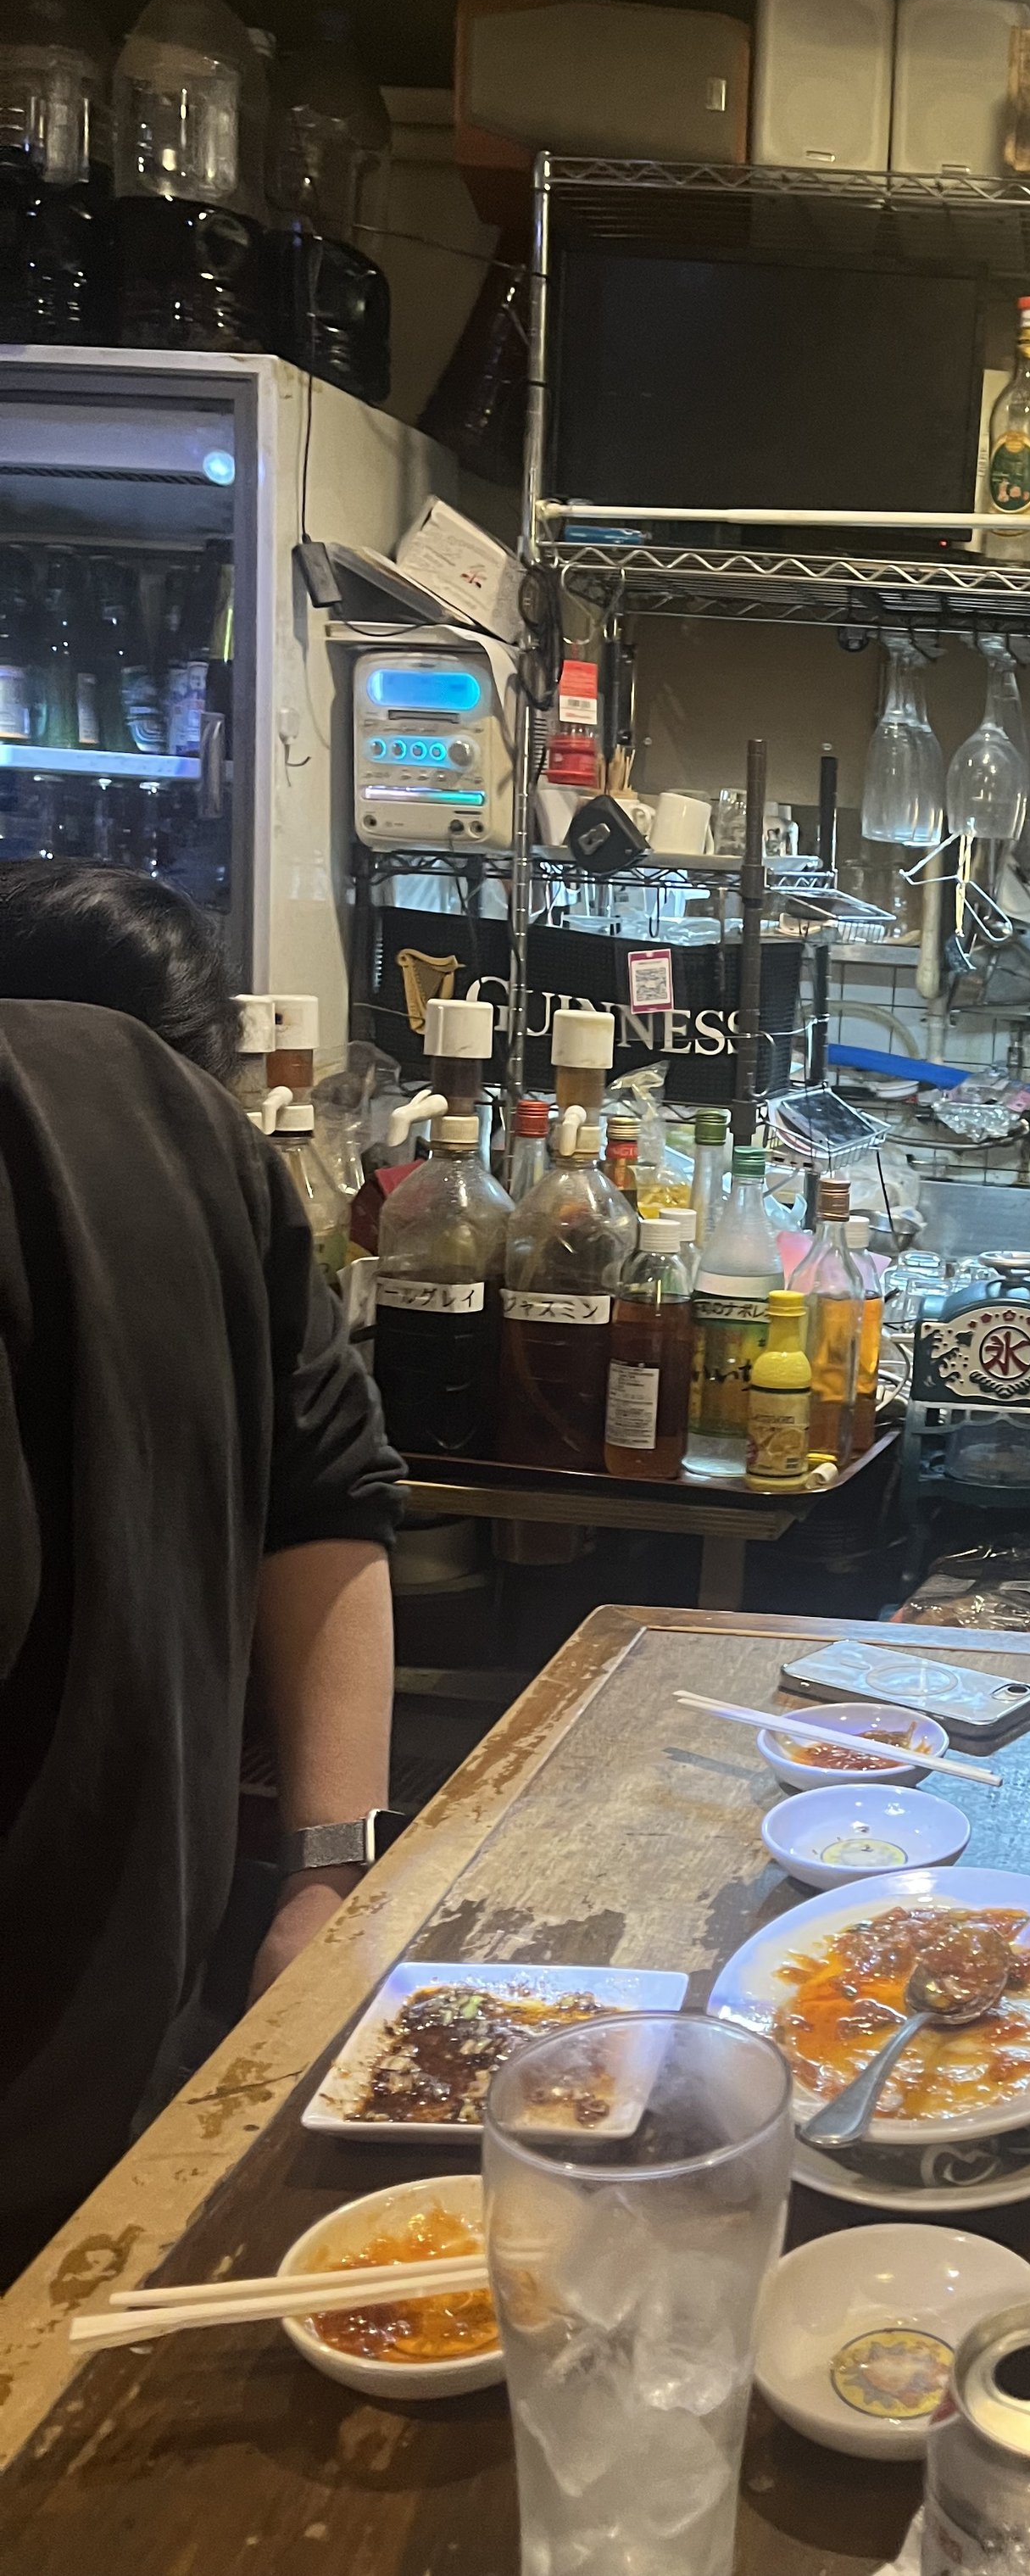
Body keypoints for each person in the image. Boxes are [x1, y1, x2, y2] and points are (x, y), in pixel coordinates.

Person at [0, 864, 401, 2281]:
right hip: (117, 2001)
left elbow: (321, 1486)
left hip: (106, 2007)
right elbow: (333, 1494)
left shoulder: (210, 1170)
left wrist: (326, 1880)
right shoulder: (213, 1157)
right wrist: (326, 1879)